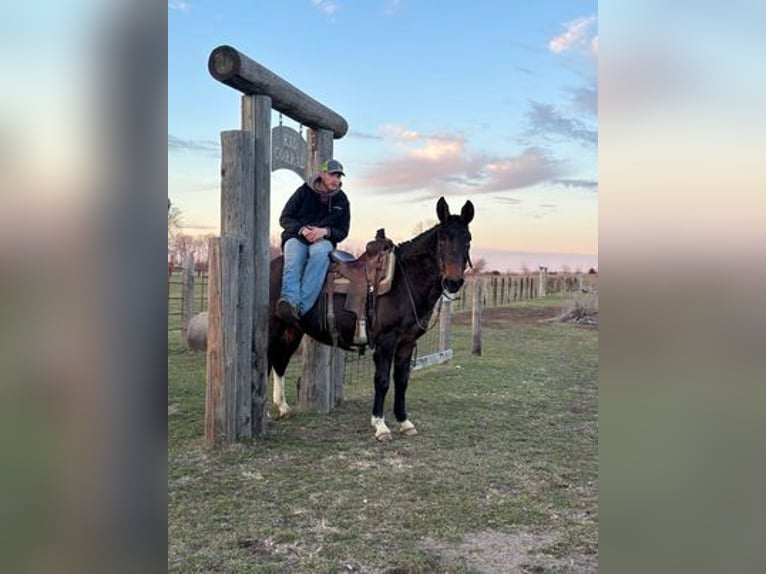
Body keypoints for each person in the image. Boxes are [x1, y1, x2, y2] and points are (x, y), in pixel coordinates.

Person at [276, 159, 350, 324]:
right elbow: (285, 218)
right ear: (322, 174)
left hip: (323, 240)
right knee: (293, 258)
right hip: (297, 237)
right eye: (333, 175)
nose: (336, 180)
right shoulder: (303, 192)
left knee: (320, 254)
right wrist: (302, 229)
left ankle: (301, 308)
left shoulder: (342, 200)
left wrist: (325, 231)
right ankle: (289, 301)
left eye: (339, 176)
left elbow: (343, 231)